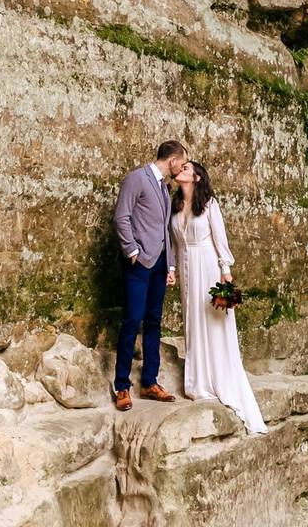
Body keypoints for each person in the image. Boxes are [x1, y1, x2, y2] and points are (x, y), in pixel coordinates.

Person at [171, 161, 268, 434]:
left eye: (187, 168)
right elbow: (174, 242)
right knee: (192, 318)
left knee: (212, 319)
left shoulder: (210, 204)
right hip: (187, 266)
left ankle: (220, 376)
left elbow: (219, 238)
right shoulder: (175, 205)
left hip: (208, 264)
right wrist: (173, 269)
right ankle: (198, 380)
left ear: (197, 177)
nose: (181, 169)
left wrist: (225, 270)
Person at [112, 140, 188, 411]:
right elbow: (122, 216)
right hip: (139, 263)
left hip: (158, 266)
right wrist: (132, 250)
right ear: (173, 160)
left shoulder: (164, 188)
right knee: (133, 319)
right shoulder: (136, 178)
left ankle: (149, 382)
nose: (181, 167)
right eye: (182, 162)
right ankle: (122, 385)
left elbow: (166, 229)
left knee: (154, 321)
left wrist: (169, 266)